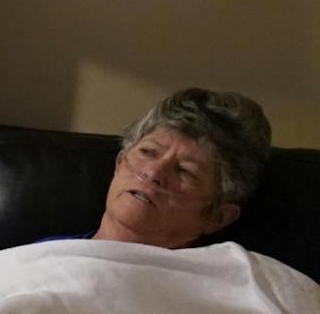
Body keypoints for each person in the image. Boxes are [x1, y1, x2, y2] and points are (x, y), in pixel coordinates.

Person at [90, 86, 271, 248]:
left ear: (218, 217)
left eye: (185, 171)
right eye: (148, 152)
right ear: (119, 163)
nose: (153, 173)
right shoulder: (61, 251)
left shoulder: (244, 278)